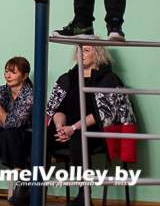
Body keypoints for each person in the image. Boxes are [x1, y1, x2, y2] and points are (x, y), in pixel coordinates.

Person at [47, 45, 135, 206]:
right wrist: (60, 126)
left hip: (97, 132)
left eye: (86, 50)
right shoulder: (68, 78)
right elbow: (58, 109)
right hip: (67, 129)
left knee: (79, 137)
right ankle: (31, 188)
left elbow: (105, 113)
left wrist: (73, 128)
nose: (81, 53)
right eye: (79, 50)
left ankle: (84, 194)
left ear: (98, 53)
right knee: (41, 136)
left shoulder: (109, 80)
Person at [0, 56, 34, 204]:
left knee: (10, 131)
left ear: (25, 76)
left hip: (28, 138)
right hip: (9, 136)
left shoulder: (30, 94)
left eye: (13, 72)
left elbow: (11, 124)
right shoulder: (3, 90)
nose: (8, 75)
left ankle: (22, 183)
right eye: (6, 71)